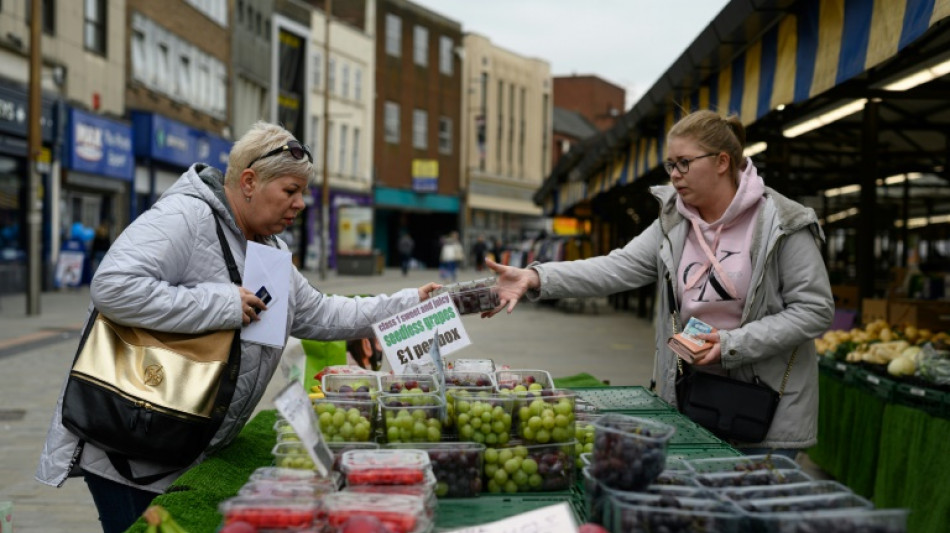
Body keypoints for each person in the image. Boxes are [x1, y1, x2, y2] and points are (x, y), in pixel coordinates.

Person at [36, 121, 440, 533]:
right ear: (249, 181)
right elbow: (112, 286)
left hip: (183, 445)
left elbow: (324, 313)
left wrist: (414, 303)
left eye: (302, 193)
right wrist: (224, 303)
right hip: (129, 445)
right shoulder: (186, 217)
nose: (299, 204)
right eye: (290, 191)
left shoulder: (268, 249)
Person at [484, 110, 833, 459]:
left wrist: (731, 344)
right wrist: (536, 277)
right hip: (694, 397)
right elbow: (615, 267)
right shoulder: (675, 221)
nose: (675, 176)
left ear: (722, 161)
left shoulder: (784, 223)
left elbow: (815, 310)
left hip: (764, 413)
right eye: (670, 165)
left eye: (684, 163)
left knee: (751, 510)